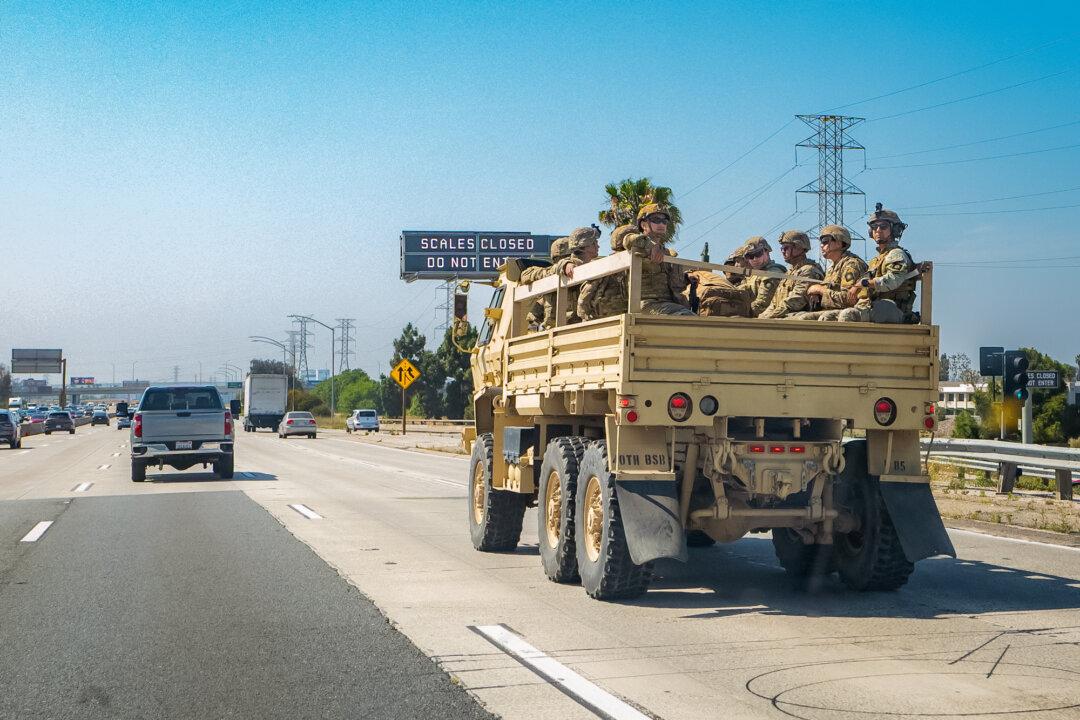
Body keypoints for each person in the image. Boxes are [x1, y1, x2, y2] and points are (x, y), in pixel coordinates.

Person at [578, 203, 694, 319]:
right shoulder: (638, 246)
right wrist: (650, 246)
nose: (661, 224)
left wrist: (686, 279)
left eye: (664, 221)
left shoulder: (667, 254)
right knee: (687, 318)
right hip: (646, 304)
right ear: (644, 224)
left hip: (668, 304)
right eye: (656, 220)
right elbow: (628, 240)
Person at [837, 204, 918, 323]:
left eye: (883, 226)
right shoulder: (877, 260)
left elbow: (892, 280)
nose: (878, 230)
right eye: (874, 227)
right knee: (828, 318)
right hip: (877, 307)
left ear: (894, 230)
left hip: (892, 309)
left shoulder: (896, 254)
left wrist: (864, 283)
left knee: (848, 316)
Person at [521, 226, 600, 329]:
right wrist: (561, 266)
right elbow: (525, 275)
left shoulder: (586, 267)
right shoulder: (553, 272)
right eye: (558, 259)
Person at [793, 225, 868, 321]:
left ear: (839, 243)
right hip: (830, 311)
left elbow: (848, 299)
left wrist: (821, 290)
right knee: (796, 318)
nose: (821, 245)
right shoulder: (832, 268)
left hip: (846, 314)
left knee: (805, 319)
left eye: (825, 241)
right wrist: (816, 294)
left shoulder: (851, 265)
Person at [758, 230, 824, 318]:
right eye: (782, 248)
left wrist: (770, 316)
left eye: (786, 248)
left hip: (797, 322)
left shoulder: (808, 271)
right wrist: (762, 317)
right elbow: (774, 303)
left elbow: (795, 301)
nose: (782, 251)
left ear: (799, 247)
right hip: (782, 317)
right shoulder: (790, 273)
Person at [690, 243, 754, 317]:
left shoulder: (746, 282)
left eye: (732, 266)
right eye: (727, 268)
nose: (730, 271)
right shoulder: (718, 282)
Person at [741, 236, 787, 317]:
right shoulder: (754, 275)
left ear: (767, 251)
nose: (754, 259)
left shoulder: (773, 273)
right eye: (750, 256)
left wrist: (736, 311)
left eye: (758, 254)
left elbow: (762, 305)